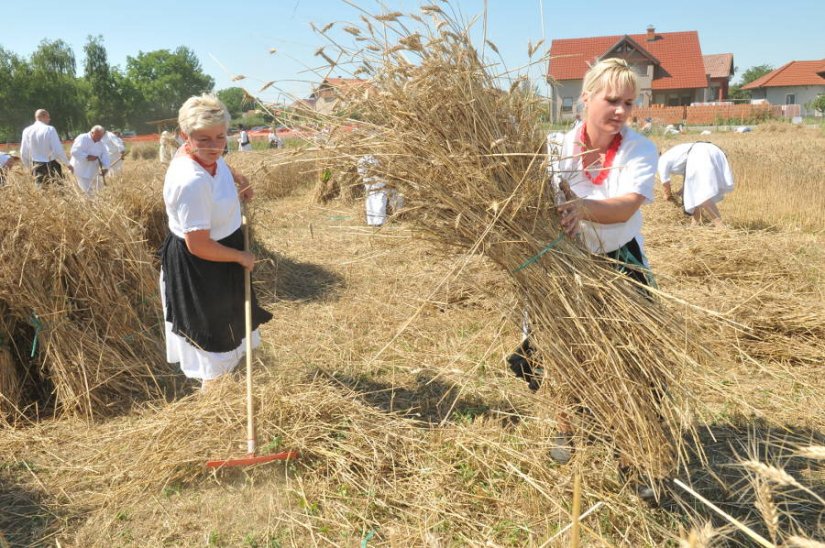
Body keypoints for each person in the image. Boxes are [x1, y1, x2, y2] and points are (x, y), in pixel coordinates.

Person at [511, 58, 660, 502]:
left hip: (619, 262)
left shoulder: (639, 149)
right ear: (586, 99)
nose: (620, 111)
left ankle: (634, 454)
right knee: (558, 351)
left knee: (632, 358)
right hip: (559, 265)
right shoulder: (553, 148)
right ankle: (565, 428)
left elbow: (627, 206)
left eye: (629, 102)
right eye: (611, 99)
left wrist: (582, 208)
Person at [160, 93, 272, 388]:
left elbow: (220, 162)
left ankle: (231, 380)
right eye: (203, 139)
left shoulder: (202, 154)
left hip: (222, 253)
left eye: (220, 137)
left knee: (232, 327)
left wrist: (239, 177)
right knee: (213, 339)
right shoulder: (191, 181)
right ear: (185, 136)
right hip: (204, 266)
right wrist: (239, 257)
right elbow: (198, 245)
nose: (214, 146)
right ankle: (217, 399)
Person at [658, 142, 733, 226]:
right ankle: (694, 224)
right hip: (713, 149)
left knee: (702, 195)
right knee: (694, 193)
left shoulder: (662, 160)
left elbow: (666, 186)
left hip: (700, 153)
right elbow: (689, 183)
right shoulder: (673, 156)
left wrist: (668, 197)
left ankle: (720, 225)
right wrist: (679, 193)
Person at [19, 109, 74, 186]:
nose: (49, 119)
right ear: (43, 116)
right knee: (58, 191)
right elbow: (58, 150)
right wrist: (68, 164)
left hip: (36, 166)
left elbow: (23, 152)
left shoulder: (27, 131)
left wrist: (29, 167)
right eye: (48, 117)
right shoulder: (50, 129)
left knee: (41, 192)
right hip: (51, 165)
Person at [70, 125, 110, 195]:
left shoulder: (101, 143)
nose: (99, 138)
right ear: (92, 133)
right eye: (98, 136)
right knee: (88, 193)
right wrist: (87, 156)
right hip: (81, 170)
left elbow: (105, 155)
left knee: (101, 191)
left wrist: (106, 168)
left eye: (101, 136)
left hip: (93, 171)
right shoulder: (82, 138)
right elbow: (74, 151)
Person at [357, 154, 389, 226]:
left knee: (380, 200)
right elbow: (360, 171)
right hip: (370, 182)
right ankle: (372, 221)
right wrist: (369, 174)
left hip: (380, 182)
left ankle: (379, 221)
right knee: (371, 200)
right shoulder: (364, 158)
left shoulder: (381, 157)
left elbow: (386, 169)